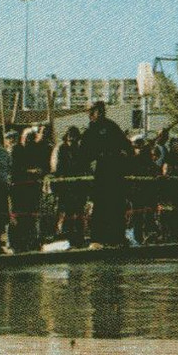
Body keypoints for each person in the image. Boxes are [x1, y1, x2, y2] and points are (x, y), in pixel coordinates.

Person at [81, 101, 133, 246]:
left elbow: (126, 146)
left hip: (114, 172)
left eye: (97, 110)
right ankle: (98, 238)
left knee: (116, 206)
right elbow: (84, 155)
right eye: (92, 111)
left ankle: (117, 237)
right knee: (100, 207)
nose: (95, 114)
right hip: (99, 175)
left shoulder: (112, 127)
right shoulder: (88, 132)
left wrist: (124, 156)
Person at [51, 126, 88, 247]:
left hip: (78, 186)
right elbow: (57, 168)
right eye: (70, 137)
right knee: (67, 213)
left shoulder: (80, 149)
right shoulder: (61, 148)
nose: (72, 140)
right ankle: (67, 237)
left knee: (79, 212)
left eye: (75, 137)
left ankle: (79, 238)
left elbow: (84, 166)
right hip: (66, 186)